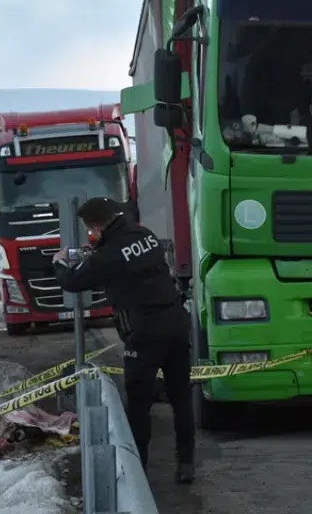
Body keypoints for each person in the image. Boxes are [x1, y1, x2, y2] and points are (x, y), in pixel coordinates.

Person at [51, 196, 196, 484]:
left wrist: (60, 263)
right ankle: (186, 464)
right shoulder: (144, 235)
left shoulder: (109, 256)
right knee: (181, 399)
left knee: (139, 406)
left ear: (98, 226)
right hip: (176, 324)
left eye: (91, 229)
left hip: (144, 334)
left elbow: (73, 282)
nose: (90, 235)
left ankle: (138, 470)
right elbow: (131, 262)